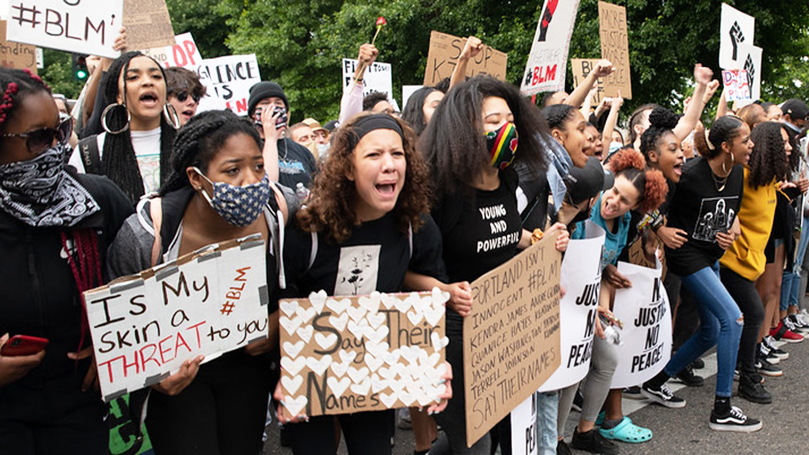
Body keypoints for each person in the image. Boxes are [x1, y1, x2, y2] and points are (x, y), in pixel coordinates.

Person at [107, 109, 290, 455]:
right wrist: (153, 375)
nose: (250, 181)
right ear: (195, 177)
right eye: (232, 170)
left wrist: (277, 323)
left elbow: (311, 280)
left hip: (247, 370)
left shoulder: (278, 213)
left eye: (258, 166)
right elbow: (117, 325)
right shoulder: (149, 234)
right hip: (180, 377)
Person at [275, 112, 451, 455]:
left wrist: (436, 365)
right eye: (374, 155)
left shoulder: (417, 227)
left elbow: (427, 310)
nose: (389, 165)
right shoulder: (307, 231)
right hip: (312, 374)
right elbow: (282, 304)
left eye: (397, 154)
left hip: (374, 372)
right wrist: (285, 374)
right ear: (346, 167)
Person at [418, 75, 569, 455]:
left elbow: (508, 233)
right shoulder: (441, 190)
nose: (507, 129)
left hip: (500, 329)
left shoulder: (507, 178)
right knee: (474, 440)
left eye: (510, 119)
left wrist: (543, 243)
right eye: (493, 121)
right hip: (452, 334)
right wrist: (445, 291)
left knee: (493, 433)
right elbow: (403, 266)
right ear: (463, 128)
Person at [0, 67, 134, 454]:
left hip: (79, 407)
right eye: (39, 138)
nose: (58, 147)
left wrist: (118, 343)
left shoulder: (97, 199)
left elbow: (145, 282)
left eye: (60, 131)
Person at [641, 115, 763, 431]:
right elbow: (647, 204)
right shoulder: (690, 174)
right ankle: (722, 408)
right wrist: (662, 230)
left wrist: (730, 232)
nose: (751, 145)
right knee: (734, 318)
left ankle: (656, 381)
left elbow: (730, 214)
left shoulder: (737, 174)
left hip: (711, 256)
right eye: (745, 140)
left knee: (710, 330)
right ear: (726, 146)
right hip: (687, 256)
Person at [569, 148, 668, 454]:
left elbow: (602, 266)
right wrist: (595, 304)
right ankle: (555, 440)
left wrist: (605, 308)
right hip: (570, 300)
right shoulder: (589, 209)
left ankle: (585, 431)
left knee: (608, 359)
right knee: (574, 368)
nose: (613, 202)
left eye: (625, 201)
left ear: (637, 207)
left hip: (593, 300)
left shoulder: (624, 225)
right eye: (613, 192)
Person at [718, 122, 801, 406]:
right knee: (752, 314)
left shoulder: (767, 179)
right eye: (784, 141)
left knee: (716, 328)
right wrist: (732, 217)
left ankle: (668, 373)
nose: (789, 146)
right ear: (769, 145)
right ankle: (746, 377)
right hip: (731, 263)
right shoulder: (740, 175)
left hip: (751, 264)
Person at [69, 51, 180, 205]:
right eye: (133, 77)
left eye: (156, 76)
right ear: (118, 96)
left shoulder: (193, 146)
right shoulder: (90, 152)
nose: (148, 82)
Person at [247, 81, 318, 189]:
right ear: (253, 113)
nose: (273, 107)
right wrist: (270, 138)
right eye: (265, 103)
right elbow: (268, 186)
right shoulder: (248, 148)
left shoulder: (302, 151)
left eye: (278, 103)